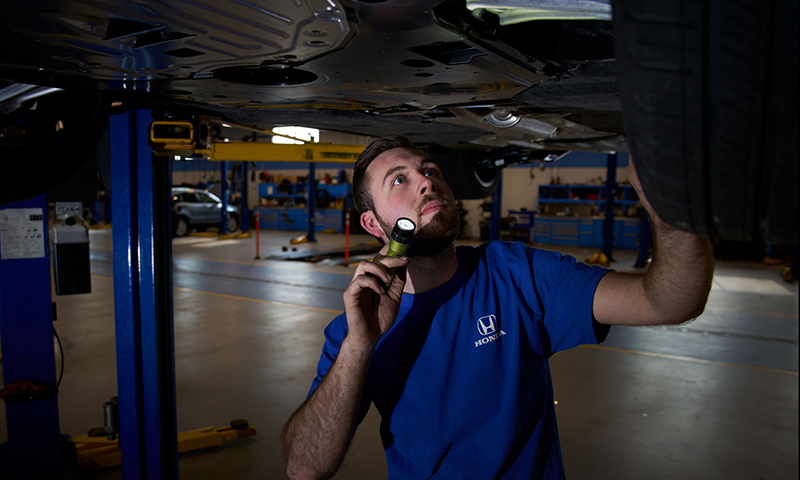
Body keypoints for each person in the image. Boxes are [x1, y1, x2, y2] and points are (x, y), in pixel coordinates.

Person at [282, 135, 714, 480]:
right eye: (400, 180)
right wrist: (361, 346)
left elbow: (668, 302)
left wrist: (673, 208)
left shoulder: (515, 272)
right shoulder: (355, 330)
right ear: (374, 224)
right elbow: (304, 468)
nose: (426, 182)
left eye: (429, 171)